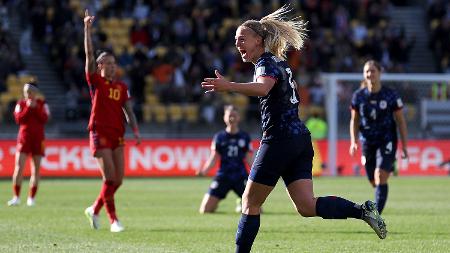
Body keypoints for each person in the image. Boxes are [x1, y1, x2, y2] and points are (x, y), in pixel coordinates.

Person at [202, 6, 388, 252]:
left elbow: (263, 88)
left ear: (259, 40)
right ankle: (362, 210)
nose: (238, 44)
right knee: (306, 206)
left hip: (279, 139)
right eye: (236, 40)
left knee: (249, 203)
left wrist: (229, 86)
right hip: (299, 139)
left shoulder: (266, 62)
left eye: (242, 39)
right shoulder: (280, 62)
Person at [83, 10, 141, 233]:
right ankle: (113, 220)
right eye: (107, 63)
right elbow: (88, 55)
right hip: (99, 132)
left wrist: (135, 130)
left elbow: (128, 110)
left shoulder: (121, 86)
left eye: (114, 63)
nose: (112, 66)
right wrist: (87, 29)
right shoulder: (96, 81)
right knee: (109, 178)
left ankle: (94, 208)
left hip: (118, 133)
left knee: (118, 181)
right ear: (99, 67)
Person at [350, 60, 409, 215]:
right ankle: (389, 166)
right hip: (367, 141)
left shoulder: (391, 94)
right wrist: (353, 141)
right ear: (364, 74)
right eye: (367, 71)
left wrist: (404, 145)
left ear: (380, 73)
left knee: (380, 175)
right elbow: (354, 120)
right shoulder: (358, 96)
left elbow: (401, 120)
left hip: (387, 139)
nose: (370, 74)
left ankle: (376, 215)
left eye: (373, 71)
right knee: (373, 180)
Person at [196, 105, 253, 214]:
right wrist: (204, 171)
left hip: (240, 176)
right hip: (223, 176)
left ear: (239, 118)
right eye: (229, 116)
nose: (232, 118)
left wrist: (257, 174)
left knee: (256, 210)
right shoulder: (219, 137)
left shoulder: (245, 137)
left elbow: (249, 159)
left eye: (234, 116)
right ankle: (237, 201)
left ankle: (241, 201)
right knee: (205, 210)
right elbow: (214, 158)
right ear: (224, 118)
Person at [7, 82, 50, 207]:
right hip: (24, 139)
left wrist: (35, 108)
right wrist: (28, 108)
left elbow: (45, 119)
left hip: (38, 139)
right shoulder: (20, 104)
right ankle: (16, 197)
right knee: (19, 167)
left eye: (30, 91)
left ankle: (31, 198)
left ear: (35, 92)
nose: (27, 94)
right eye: (26, 92)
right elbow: (18, 119)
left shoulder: (42, 104)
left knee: (36, 169)